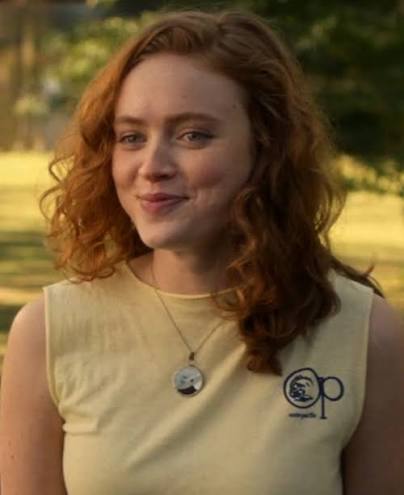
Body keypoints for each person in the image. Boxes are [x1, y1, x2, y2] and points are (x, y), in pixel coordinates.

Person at [0, 8, 403, 495]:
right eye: (131, 137)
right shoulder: (47, 332)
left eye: (193, 135)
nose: (152, 165)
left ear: (266, 149)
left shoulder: (367, 336)